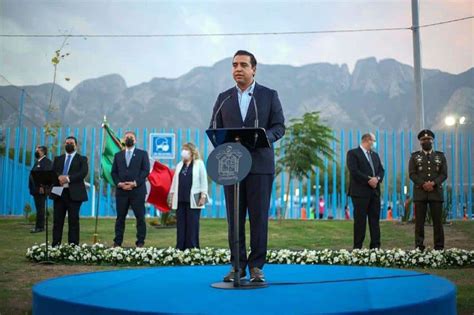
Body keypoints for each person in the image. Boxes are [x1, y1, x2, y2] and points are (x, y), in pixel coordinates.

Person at [209, 50, 285, 283]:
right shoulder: (224, 98)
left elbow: (279, 127)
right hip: (232, 166)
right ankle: (237, 266)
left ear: (254, 69)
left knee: (259, 218)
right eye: (234, 65)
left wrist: (264, 137)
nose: (238, 69)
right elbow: (214, 128)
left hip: (260, 166)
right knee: (234, 219)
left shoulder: (268, 95)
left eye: (243, 65)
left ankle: (256, 267)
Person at [409, 129, 447, 250]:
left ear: (432, 141)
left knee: (438, 223)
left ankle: (439, 248)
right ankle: (419, 248)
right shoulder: (415, 157)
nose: (426, 141)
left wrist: (433, 183)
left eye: (428, 139)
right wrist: (423, 184)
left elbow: (444, 174)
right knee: (419, 223)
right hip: (420, 193)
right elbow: (412, 174)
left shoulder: (440, 156)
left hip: (436, 193)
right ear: (420, 142)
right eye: (424, 140)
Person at [111, 131, 150, 247]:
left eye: (131, 137)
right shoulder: (118, 155)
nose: (129, 139)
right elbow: (114, 172)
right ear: (123, 140)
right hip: (121, 191)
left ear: (135, 140)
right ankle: (117, 243)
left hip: (137, 191)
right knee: (120, 218)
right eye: (127, 137)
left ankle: (140, 242)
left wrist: (135, 183)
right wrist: (119, 183)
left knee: (140, 217)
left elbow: (145, 171)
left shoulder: (142, 154)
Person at [347, 133, 385, 249]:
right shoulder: (353, 153)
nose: (374, 143)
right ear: (368, 140)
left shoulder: (375, 155)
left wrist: (377, 179)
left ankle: (375, 248)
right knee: (360, 222)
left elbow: (381, 170)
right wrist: (369, 180)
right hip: (360, 193)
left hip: (374, 193)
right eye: (373, 141)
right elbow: (354, 171)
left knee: (374, 221)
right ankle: (358, 248)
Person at [168, 143, 208, 250]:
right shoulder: (179, 165)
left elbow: (204, 181)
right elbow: (174, 182)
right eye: (182, 149)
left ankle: (192, 247)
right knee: (181, 225)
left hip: (194, 200)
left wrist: (203, 196)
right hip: (180, 198)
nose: (183, 152)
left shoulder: (199, 163)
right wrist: (171, 196)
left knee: (192, 224)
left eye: (186, 149)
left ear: (192, 152)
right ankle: (180, 247)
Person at [51, 136, 88, 246]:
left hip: (74, 194)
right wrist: (59, 177)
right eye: (67, 143)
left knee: (73, 221)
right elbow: (53, 171)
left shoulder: (81, 159)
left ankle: (73, 246)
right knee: (57, 221)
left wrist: (68, 178)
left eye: (71, 143)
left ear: (76, 145)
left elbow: (83, 173)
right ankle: (55, 245)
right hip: (59, 192)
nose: (69, 144)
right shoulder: (58, 159)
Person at [29, 145, 53, 233]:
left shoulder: (46, 162)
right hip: (36, 189)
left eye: (37, 150)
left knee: (40, 208)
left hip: (41, 189)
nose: (36, 151)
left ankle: (40, 227)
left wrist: (42, 186)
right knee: (39, 208)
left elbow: (46, 175)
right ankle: (39, 226)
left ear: (42, 152)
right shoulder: (38, 161)